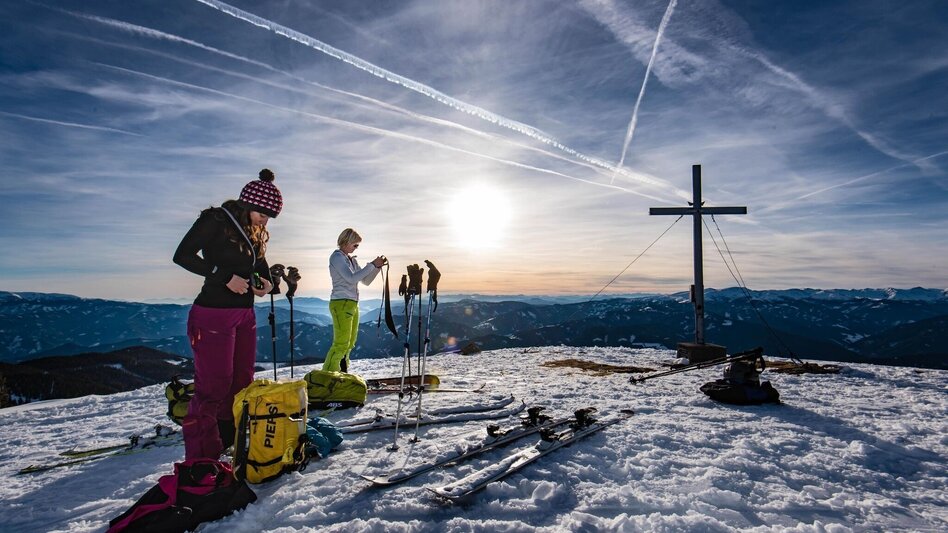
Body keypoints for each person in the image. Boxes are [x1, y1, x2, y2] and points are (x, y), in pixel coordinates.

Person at [173, 168, 282, 460]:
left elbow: (259, 261)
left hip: (244, 314)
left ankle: (227, 441)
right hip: (212, 315)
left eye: (270, 216)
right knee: (213, 387)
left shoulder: (252, 229)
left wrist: (267, 281)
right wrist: (224, 277)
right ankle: (200, 460)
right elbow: (182, 255)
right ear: (248, 203)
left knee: (240, 382)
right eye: (263, 213)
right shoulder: (216, 220)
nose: (265, 220)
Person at [324, 228, 385, 373]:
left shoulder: (350, 260)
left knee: (349, 342)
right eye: (355, 245)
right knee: (341, 343)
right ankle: (328, 375)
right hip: (341, 303)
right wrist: (371, 265)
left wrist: (376, 268)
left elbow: (365, 281)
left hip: (351, 303)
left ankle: (341, 372)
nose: (356, 247)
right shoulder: (337, 257)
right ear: (347, 241)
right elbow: (351, 278)